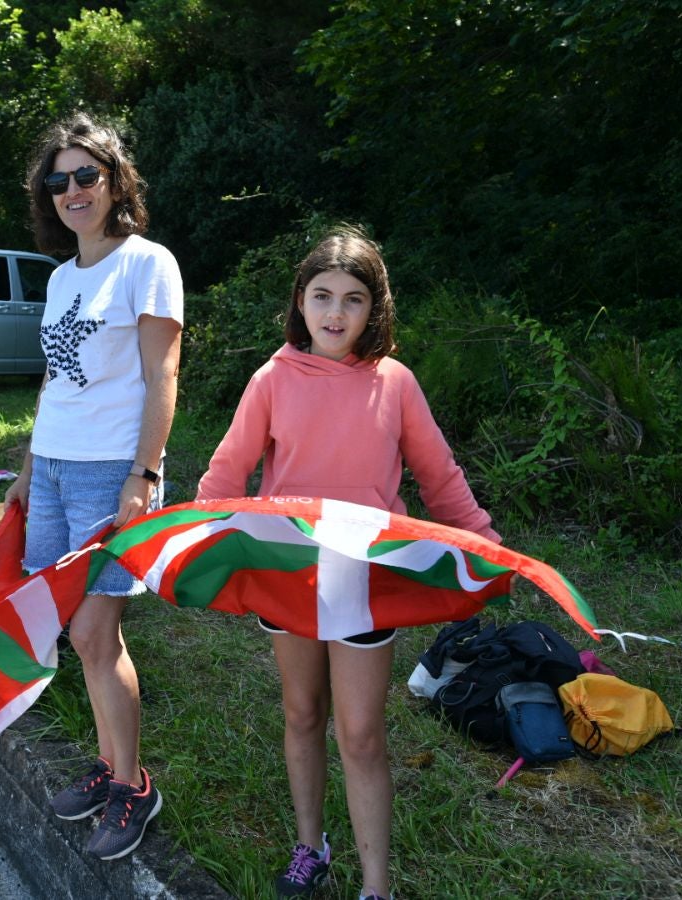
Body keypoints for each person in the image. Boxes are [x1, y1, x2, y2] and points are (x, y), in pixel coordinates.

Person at [195, 227, 500, 900]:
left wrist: (484, 539)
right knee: (302, 713)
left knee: (360, 734)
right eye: (322, 296)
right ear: (300, 303)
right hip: (289, 575)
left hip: (364, 577)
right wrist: (189, 537)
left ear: (375, 310)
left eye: (353, 300)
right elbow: (225, 473)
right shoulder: (271, 378)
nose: (335, 314)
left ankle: (376, 886)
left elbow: (439, 475)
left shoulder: (395, 383)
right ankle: (311, 846)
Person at [3, 111, 182, 861]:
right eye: (59, 180)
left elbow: (162, 374)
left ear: (114, 182)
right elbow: (56, 376)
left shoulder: (149, 262)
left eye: (87, 176)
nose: (73, 190)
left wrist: (143, 475)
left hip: (113, 473)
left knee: (92, 632)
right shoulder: (59, 276)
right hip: (53, 468)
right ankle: (112, 767)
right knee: (76, 634)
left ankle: (133, 786)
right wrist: (26, 466)